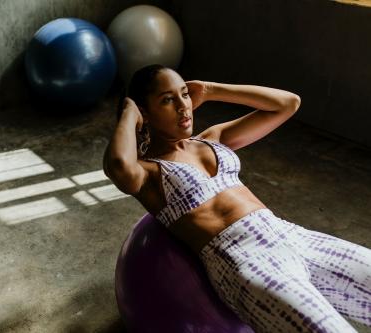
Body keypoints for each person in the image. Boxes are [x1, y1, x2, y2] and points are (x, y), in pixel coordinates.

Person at [103, 64, 371, 333]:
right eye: (167, 100)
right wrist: (129, 112)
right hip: (246, 260)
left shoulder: (211, 139)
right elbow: (118, 166)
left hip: (291, 235)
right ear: (145, 113)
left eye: (184, 94)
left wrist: (210, 90)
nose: (183, 106)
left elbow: (288, 103)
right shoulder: (148, 172)